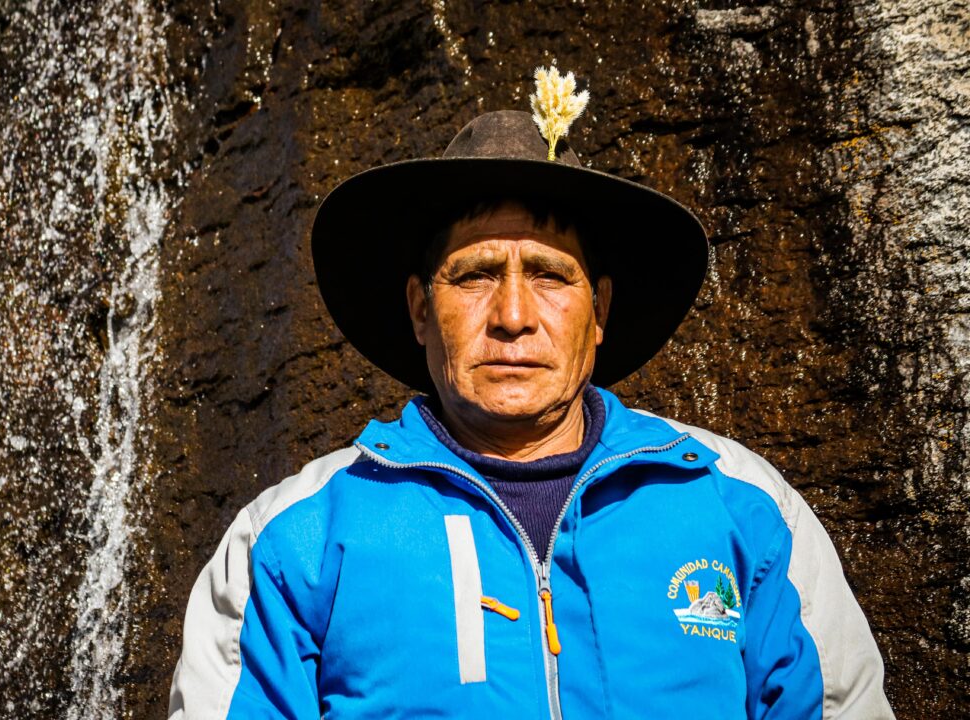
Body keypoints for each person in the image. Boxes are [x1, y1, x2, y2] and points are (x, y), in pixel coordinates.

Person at [168, 67, 893, 719]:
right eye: (475, 275)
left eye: (549, 276)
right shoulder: (292, 539)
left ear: (598, 310)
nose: (513, 316)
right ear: (421, 311)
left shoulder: (744, 507)